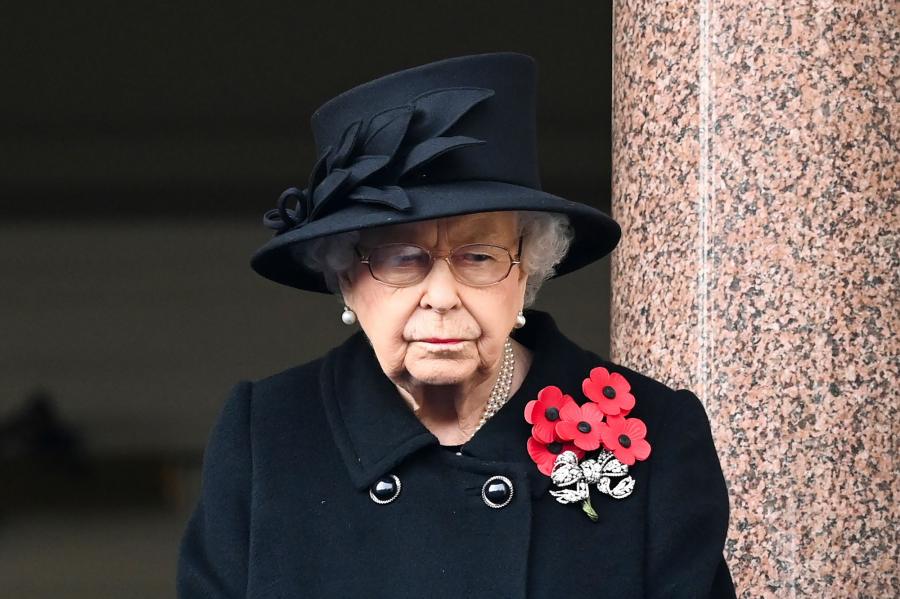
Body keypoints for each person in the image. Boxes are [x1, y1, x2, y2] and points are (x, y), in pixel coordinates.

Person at [176, 52, 737, 598]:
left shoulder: (657, 433)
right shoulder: (268, 436)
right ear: (347, 277)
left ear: (528, 272)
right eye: (400, 257)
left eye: (479, 256)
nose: (442, 297)